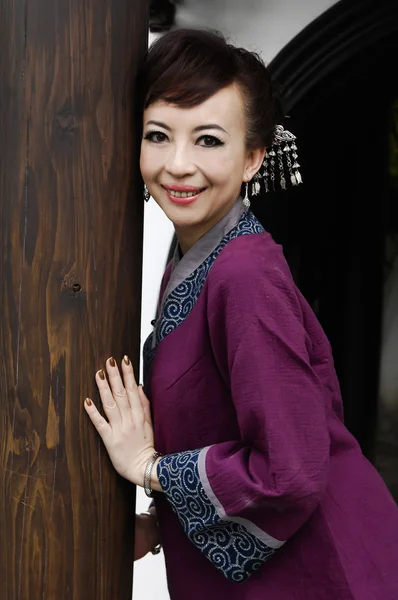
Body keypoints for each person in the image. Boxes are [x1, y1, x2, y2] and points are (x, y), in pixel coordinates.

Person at [84, 28, 398, 600]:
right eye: (158, 135)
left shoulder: (244, 274)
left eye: (208, 140)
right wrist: (163, 522)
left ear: (253, 157)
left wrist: (152, 468)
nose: (178, 165)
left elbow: (292, 470)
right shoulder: (197, 257)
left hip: (325, 573)